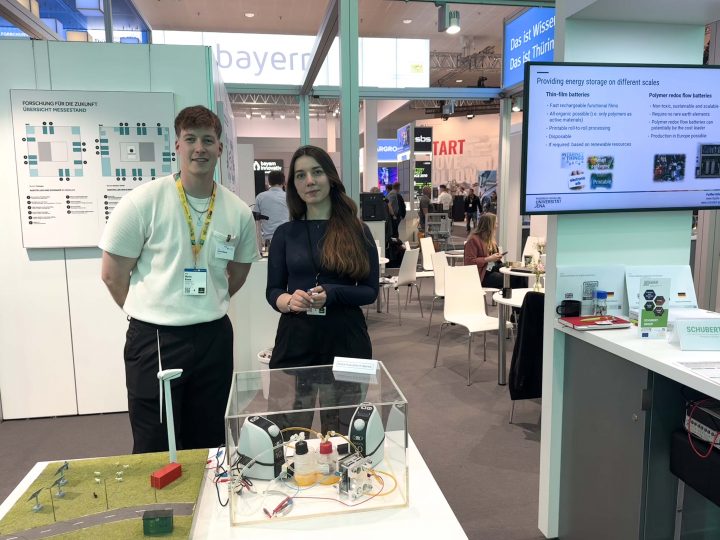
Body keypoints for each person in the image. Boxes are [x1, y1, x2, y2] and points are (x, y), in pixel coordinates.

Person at [99, 105, 259, 454]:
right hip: (155, 339)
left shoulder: (237, 211)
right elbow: (112, 274)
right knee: (155, 442)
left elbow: (239, 272)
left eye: (208, 140)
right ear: (177, 145)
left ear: (220, 148)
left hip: (213, 336)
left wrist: (206, 301)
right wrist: (152, 310)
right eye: (190, 139)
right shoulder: (143, 202)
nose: (199, 148)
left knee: (211, 441)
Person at [266, 145, 379, 432]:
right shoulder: (285, 234)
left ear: (330, 177)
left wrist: (333, 292)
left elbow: (370, 291)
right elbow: (273, 290)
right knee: (288, 433)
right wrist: (288, 300)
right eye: (300, 175)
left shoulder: (358, 231)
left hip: (346, 341)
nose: (309, 181)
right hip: (296, 341)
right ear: (293, 185)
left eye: (316, 172)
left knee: (344, 435)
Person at [464, 212, 524, 291]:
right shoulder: (473, 240)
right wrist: (488, 259)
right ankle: (510, 296)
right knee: (511, 278)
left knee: (519, 274)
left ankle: (520, 297)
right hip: (482, 274)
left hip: (492, 268)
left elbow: (493, 260)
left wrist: (496, 257)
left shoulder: (490, 238)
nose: (497, 226)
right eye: (495, 223)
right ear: (489, 225)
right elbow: (469, 262)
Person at [254, 170, 288, 244]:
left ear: (269, 182)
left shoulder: (260, 197)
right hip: (287, 239)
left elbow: (256, 219)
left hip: (268, 241)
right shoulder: (289, 197)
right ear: (283, 182)